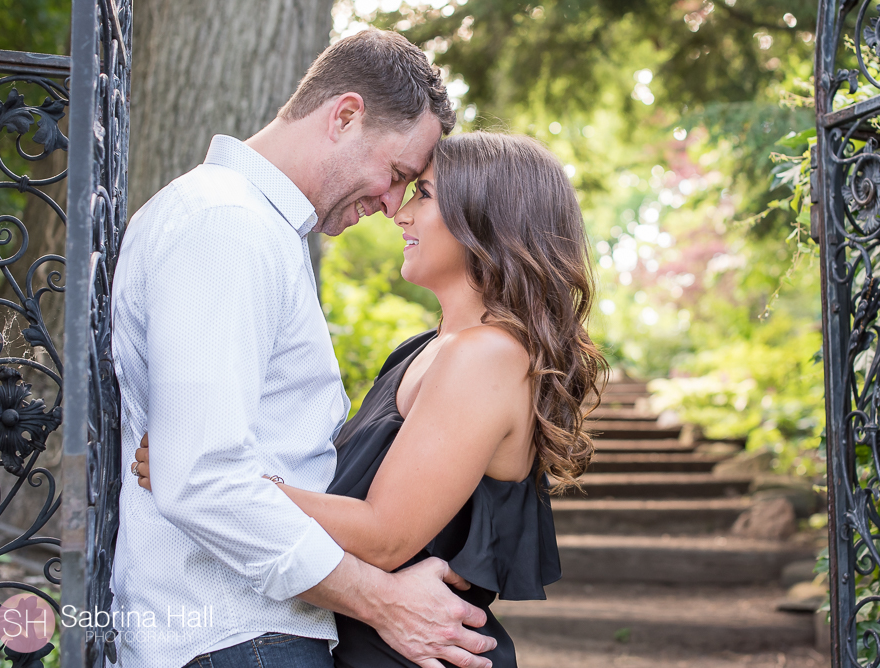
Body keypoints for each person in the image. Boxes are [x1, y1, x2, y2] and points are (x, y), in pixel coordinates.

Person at [133, 131, 608, 667]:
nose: (400, 214)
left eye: (423, 195)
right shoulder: (429, 350)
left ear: (487, 218)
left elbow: (384, 536)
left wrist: (218, 476)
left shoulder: (488, 356)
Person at [110, 29, 499, 668]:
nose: (388, 203)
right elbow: (202, 479)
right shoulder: (226, 226)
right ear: (345, 116)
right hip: (234, 639)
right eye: (397, 174)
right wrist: (381, 600)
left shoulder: (249, 227)